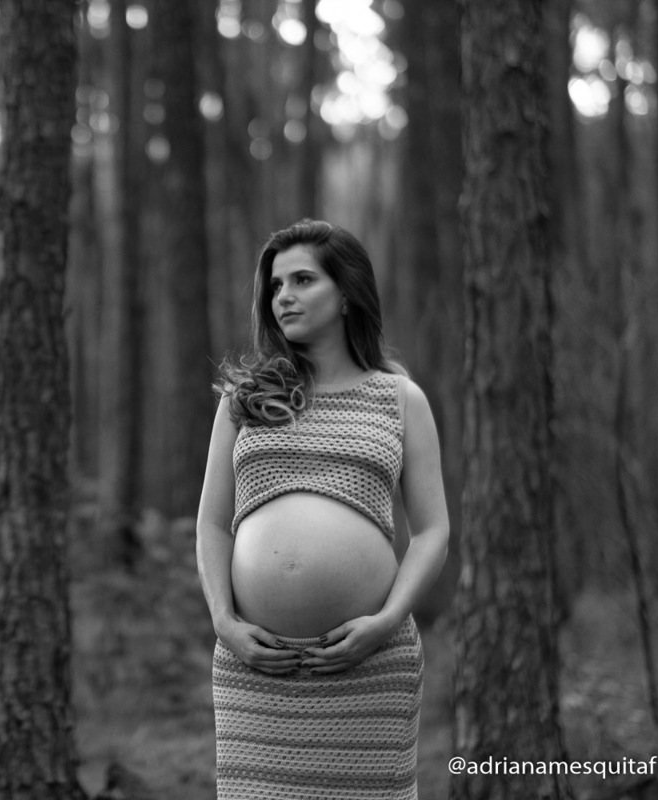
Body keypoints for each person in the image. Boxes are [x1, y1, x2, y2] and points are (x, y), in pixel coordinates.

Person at [196, 219, 449, 799]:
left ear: (346, 293)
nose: (283, 295)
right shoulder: (245, 401)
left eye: (303, 279)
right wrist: (223, 623)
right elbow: (212, 524)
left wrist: (385, 624)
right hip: (256, 668)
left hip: (369, 664)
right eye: (276, 284)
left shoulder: (399, 399)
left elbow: (434, 531)